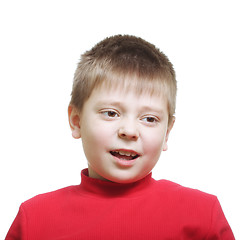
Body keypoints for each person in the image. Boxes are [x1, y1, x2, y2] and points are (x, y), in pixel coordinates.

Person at [5, 35, 235, 239]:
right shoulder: (35, 219)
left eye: (150, 119)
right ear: (76, 121)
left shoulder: (203, 214)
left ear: (167, 132)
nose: (130, 131)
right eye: (111, 113)